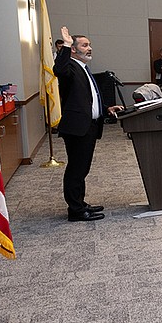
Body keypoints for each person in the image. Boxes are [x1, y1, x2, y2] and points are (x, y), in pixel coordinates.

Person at [53, 26, 123, 222]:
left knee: (82, 168)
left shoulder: (83, 68)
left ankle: (80, 203)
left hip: (89, 125)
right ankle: (75, 210)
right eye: (84, 45)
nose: (89, 48)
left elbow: (87, 98)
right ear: (74, 50)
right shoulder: (70, 67)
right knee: (76, 169)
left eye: (89, 44)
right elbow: (58, 69)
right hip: (77, 127)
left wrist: (106, 108)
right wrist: (65, 45)